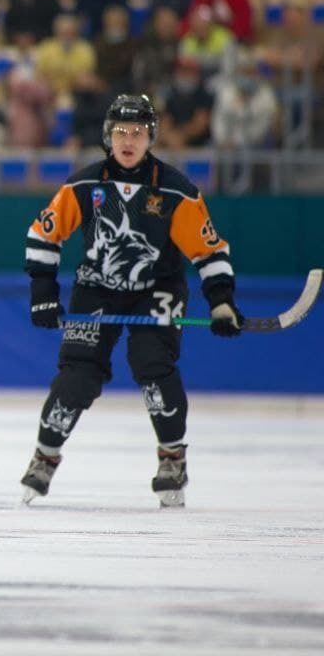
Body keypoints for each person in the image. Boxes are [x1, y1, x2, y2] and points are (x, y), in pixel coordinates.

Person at [21, 94, 242, 509]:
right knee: (77, 377)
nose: (128, 140)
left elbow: (209, 252)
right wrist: (43, 294)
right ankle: (45, 455)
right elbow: (42, 235)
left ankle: (172, 459)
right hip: (97, 287)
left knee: (153, 366)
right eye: (121, 132)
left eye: (138, 133)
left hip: (156, 288)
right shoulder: (84, 184)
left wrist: (222, 302)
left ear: (150, 137)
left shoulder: (178, 191)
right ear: (108, 136)